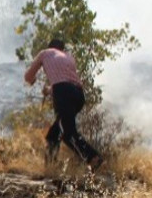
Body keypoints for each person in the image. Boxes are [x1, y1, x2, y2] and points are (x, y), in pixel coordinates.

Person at [24, 38, 103, 172]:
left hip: (64, 93)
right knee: (54, 134)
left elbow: (28, 76)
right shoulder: (68, 57)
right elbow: (65, 82)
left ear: (51, 47)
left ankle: (93, 158)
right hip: (78, 95)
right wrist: (49, 90)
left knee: (68, 133)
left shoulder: (45, 53)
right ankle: (50, 169)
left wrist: (33, 80)